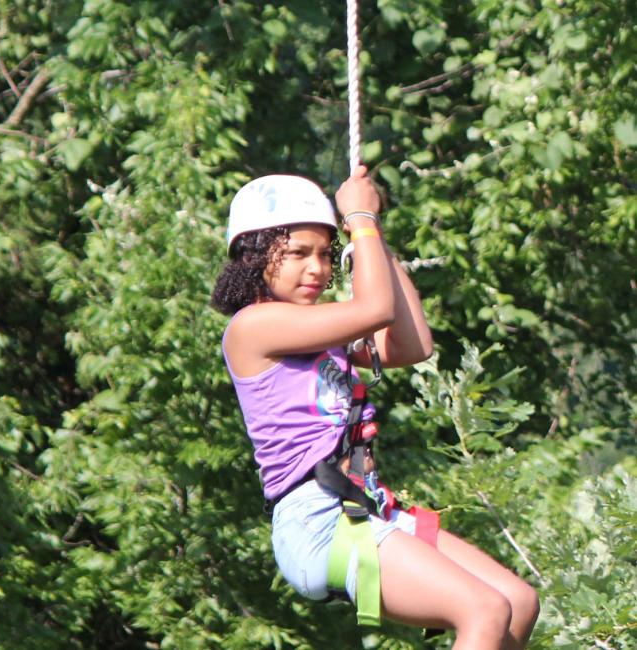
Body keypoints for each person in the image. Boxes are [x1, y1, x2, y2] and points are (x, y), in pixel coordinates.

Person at [212, 166, 539, 649]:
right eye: (299, 254)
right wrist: (360, 217)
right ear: (253, 258)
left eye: (325, 255)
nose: (318, 269)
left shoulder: (319, 332)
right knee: (484, 610)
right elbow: (375, 311)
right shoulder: (253, 328)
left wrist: (373, 238)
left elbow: (411, 343)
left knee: (516, 599)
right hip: (318, 520)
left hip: (365, 506)